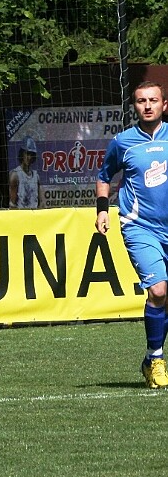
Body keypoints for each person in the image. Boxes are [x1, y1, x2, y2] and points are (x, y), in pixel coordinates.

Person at [95, 80, 168, 389]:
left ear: (164, 105)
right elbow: (103, 176)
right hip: (140, 227)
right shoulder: (123, 142)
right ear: (135, 106)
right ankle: (155, 359)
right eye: (141, 101)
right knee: (159, 291)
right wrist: (101, 209)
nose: (147, 105)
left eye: (153, 100)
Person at [9, 136, 40, 209]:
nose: (29, 157)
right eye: (27, 154)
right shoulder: (15, 175)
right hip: (22, 216)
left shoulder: (36, 176)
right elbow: (12, 204)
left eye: (31, 154)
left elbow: (40, 202)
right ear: (22, 154)